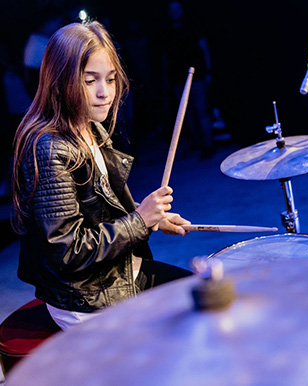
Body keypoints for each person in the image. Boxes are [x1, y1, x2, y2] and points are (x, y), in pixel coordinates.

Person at [11, 20, 192, 330]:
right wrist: (139, 221)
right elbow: (67, 251)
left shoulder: (89, 126)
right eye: (89, 80)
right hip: (84, 298)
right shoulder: (49, 148)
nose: (104, 93)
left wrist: (150, 217)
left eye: (110, 79)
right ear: (60, 81)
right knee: (191, 323)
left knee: (205, 296)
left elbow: (97, 211)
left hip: (111, 274)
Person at [162, 1, 214, 158]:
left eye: (177, 9)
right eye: (171, 9)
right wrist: (166, 77)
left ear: (182, 10)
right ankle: (199, 144)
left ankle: (208, 145)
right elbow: (165, 57)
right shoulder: (168, 31)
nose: (174, 12)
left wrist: (208, 71)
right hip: (178, 79)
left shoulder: (192, 27)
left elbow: (204, 49)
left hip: (196, 77)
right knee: (187, 115)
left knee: (201, 111)